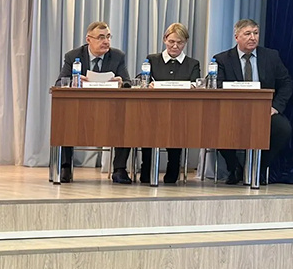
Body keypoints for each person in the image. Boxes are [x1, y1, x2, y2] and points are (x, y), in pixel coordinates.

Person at [214, 19, 293, 185]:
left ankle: (259, 168)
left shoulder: (271, 56)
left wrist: (275, 107)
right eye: (247, 34)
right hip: (233, 111)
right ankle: (234, 167)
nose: (253, 37)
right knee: (215, 127)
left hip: (263, 111)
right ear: (237, 37)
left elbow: (286, 83)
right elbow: (217, 86)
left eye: (255, 33)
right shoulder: (222, 59)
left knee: (283, 129)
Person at [58, 21, 132, 183]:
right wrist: (75, 81)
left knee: (126, 121)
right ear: (88, 39)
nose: (106, 41)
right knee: (64, 119)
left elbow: (128, 82)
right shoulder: (73, 56)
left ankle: (119, 169)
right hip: (81, 110)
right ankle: (65, 167)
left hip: (111, 111)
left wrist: (121, 82)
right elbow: (60, 83)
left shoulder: (117, 56)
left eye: (108, 37)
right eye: (101, 37)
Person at [139, 23, 201, 184]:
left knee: (177, 128)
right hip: (154, 110)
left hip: (180, 111)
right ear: (164, 40)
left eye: (180, 43)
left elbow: (196, 83)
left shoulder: (192, 63)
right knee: (148, 128)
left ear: (185, 43)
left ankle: (173, 168)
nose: (175, 46)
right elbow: (142, 79)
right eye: (171, 41)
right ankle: (147, 168)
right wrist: (148, 84)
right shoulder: (152, 59)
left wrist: (192, 86)